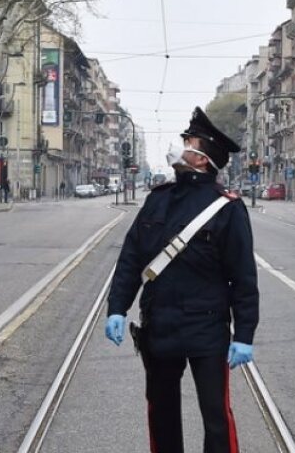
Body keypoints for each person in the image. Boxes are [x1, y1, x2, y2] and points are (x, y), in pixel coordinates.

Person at [105, 107, 258, 453]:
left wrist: (244, 334)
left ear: (203, 159)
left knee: (216, 416)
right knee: (161, 413)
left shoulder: (227, 208)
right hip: (159, 326)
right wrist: (117, 307)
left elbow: (244, 279)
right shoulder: (158, 200)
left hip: (207, 330)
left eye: (188, 141)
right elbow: (131, 258)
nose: (180, 145)